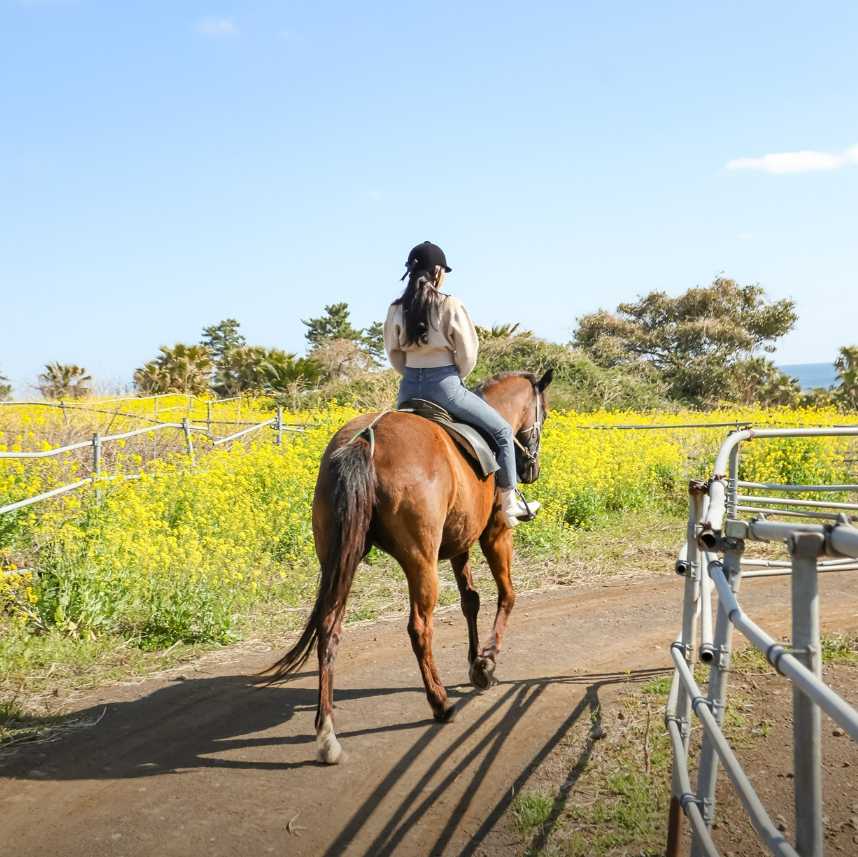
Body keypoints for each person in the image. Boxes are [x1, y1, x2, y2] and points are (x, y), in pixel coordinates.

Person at [383, 240, 540, 528]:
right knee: (503, 431)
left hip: (407, 389)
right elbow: (468, 352)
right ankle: (510, 504)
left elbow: (392, 352)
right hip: (445, 386)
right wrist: (455, 378)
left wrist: (411, 373)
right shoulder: (450, 304)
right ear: (438, 271)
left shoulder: (396, 308)